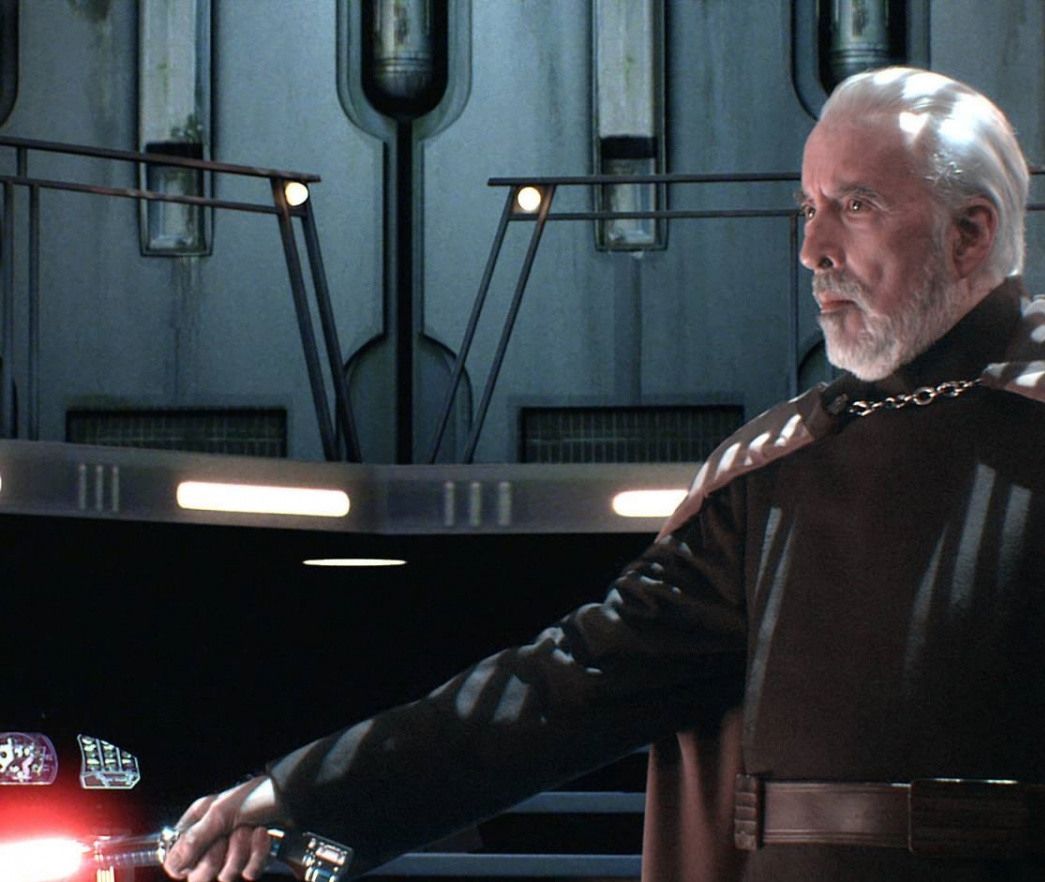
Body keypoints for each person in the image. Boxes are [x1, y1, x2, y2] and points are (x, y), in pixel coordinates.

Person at [163, 66, 1045, 882]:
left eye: (854, 205)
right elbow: (569, 684)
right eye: (806, 208)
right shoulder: (773, 472)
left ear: (968, 234)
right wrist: (305, 789)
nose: (811, 247)